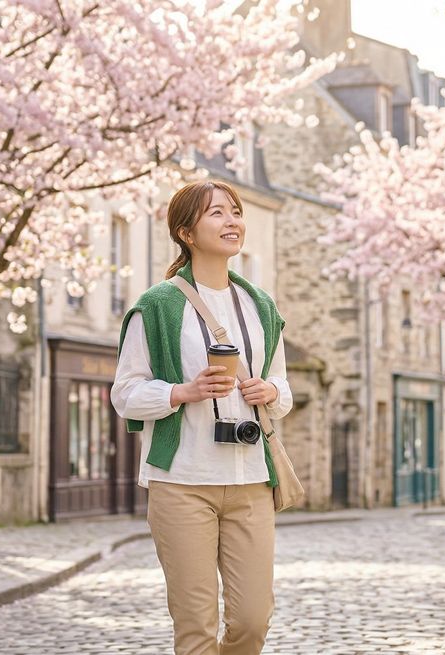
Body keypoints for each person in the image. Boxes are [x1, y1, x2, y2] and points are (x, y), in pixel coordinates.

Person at [112, 180, 293, 655]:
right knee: (195, 625)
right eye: (217, 213)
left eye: (236, 212)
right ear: (185, 231)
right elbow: (125, 393)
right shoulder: (157, 305)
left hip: (252, 478)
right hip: (183, 481)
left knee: (253, 619)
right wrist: (182, 392)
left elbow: (284, 388)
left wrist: (269, 390)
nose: (232, 221)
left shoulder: (261, 307)